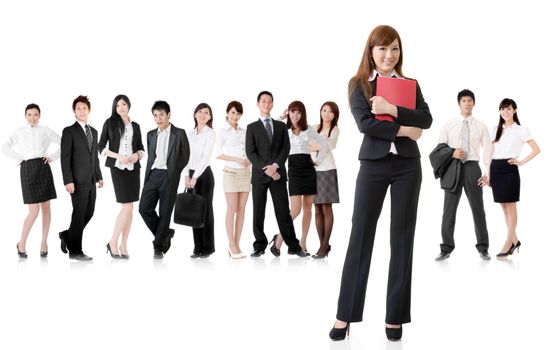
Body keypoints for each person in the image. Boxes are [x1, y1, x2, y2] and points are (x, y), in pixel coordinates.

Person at [329, 25, 432, 342]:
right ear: (371, 51)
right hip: (373, 165)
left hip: (407, 167)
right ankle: (344, 314)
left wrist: (393, 109)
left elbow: (426, 119)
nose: (389, 55)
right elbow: (365, 124)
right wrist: (405, 128)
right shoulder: (359, 84)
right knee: (360, 234)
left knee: (402, 238)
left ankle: (395, 317)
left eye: (395, 49)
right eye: (382, 48)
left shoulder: (410, 85)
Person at [245, 91, 310, 258]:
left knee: (283, 212)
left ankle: (293, 246)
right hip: (260, 176)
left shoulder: (281, 126)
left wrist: (275, 166)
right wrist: (266, 169)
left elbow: (285, 149)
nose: (266, 104)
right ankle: (259, 245)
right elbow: (250, 152)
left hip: (278, 175)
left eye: (269, 101)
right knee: (258, 212)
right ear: (258, 104)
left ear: (272, 104)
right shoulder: (251, 128)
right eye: (263, 101)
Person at [434, 89, 491, 261]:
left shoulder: (481, 125)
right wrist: (452, 153)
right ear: (459, 103)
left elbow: (488, 150)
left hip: (473, 167)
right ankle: (446, 248)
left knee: (478, 209)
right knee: (449, 210)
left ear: (474, 103)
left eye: (470, 100)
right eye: (464, 100)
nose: (467, 103)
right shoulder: (449, 124)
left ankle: (483, 248)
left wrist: (488, 173)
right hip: (453, 167)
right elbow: (439, 149)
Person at [480, 98, 540, 257]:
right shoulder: (495, 129)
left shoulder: (521, 130)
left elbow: (536, 149)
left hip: (509, 169)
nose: (505, 112)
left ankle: (508, 242)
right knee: (504, 208)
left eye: (508, 109)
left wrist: (520, 162)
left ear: (515, 110)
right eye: (502, 109)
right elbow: (490, 153)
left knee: (511, 208)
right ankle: (514, 240)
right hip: (496, 169)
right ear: (499, 111)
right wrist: (488, 174)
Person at [2, 103, 60, 258]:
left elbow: (64, 142)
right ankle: (21, 243)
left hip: (43, 167)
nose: (32, 117)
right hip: (27, 169)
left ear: (39, 116)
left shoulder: (45, 130)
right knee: (33, 211)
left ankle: (44, 242)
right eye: (29, 114)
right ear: (25, 116)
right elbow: (4, 147)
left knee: (46, 207)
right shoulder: (19, 132)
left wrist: (52, 157)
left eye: (35, 114)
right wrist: (20, 159)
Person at [272, 101, 329, 256]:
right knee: (295, 210)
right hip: (294, 169)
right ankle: (279, 240)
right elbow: (269, 131)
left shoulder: (308, 129)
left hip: (308, 168)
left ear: (302, 114)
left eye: (298, 112)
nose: (295, 115)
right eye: (292, 112)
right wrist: (281, 116)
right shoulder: (284, 128)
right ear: (288, 112)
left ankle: (302, 242)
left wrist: (317, 161)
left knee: (307, 209)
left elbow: (324, 144)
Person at [139, 101, 189, 259]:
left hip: (169, 176)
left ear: (169, 115)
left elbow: (185, 156)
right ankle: (165, 233)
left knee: (165, 212)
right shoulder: (150, 134)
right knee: (144, 209)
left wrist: (173, 172)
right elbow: (151, 156)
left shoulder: (179, 133)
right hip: (152, 175)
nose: (158, 118)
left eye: (161, 114)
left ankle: (158, 246)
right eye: (155, 115)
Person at [98, 94, 145, 259]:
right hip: (118, 168)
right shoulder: (110, 123)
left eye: (123, 104)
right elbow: (101, 147)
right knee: (127, 207)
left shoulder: (136, 126)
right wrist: (119, 156)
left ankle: (124, 245)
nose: (121, 108)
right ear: (115, 108)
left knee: (130, 208)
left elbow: (141, 149)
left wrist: (136, 156)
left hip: (134, 169)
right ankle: (113, 241)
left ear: (128, 105)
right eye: (118, 105)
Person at [59, 95, 104, 261]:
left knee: (90, 212)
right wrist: (68, 180)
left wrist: (99, 176)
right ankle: (75, 251)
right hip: (76, 181)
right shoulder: (69, 131)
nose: (82, 111)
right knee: (78, 214)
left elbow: (95, 157)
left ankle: (67, 235)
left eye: (84, 108)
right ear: (74, 111)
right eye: (78, 108)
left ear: (89, 110)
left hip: (91, 180)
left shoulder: (94, 131)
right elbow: (65, 158)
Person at [215, 101, 250, 259]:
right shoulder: (223, 131)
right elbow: (218, 153)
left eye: (238, 113)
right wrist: (236, 158)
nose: (235, 116)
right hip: (230, 173)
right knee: (232, 208)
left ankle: (236, 244)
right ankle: (231, 244)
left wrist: (249, 159)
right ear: (227, 113)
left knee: (242, 210)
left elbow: (251, 148)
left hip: (245, 173)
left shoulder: (245, 130)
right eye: (233, 113)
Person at [185, 103, 216, 258]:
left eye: (206, 113)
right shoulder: (189, 135)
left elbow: (205, 157)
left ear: (209, 117)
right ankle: (197, 248)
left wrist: (195, 177)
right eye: (200, 112)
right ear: (195, 114)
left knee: (206, 212)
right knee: (193, 213)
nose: (203, 115)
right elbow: (185, 157)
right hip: (190, 174)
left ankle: (207, 248)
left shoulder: (210, 133)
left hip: (204, 175)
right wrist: (186, 176)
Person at [310, 101, 340, 258]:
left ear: (335, 115)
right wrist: (319, 144)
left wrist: (317, 144)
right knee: (316, 208)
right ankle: (323, 245)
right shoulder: (314, 128)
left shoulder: (334, 129)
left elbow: (330, 146)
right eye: (324, 110)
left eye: (330, 111)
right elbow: (305, 144)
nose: (326, 114)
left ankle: (323, 246)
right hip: (313, 171)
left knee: (326, 207)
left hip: (327, 169)